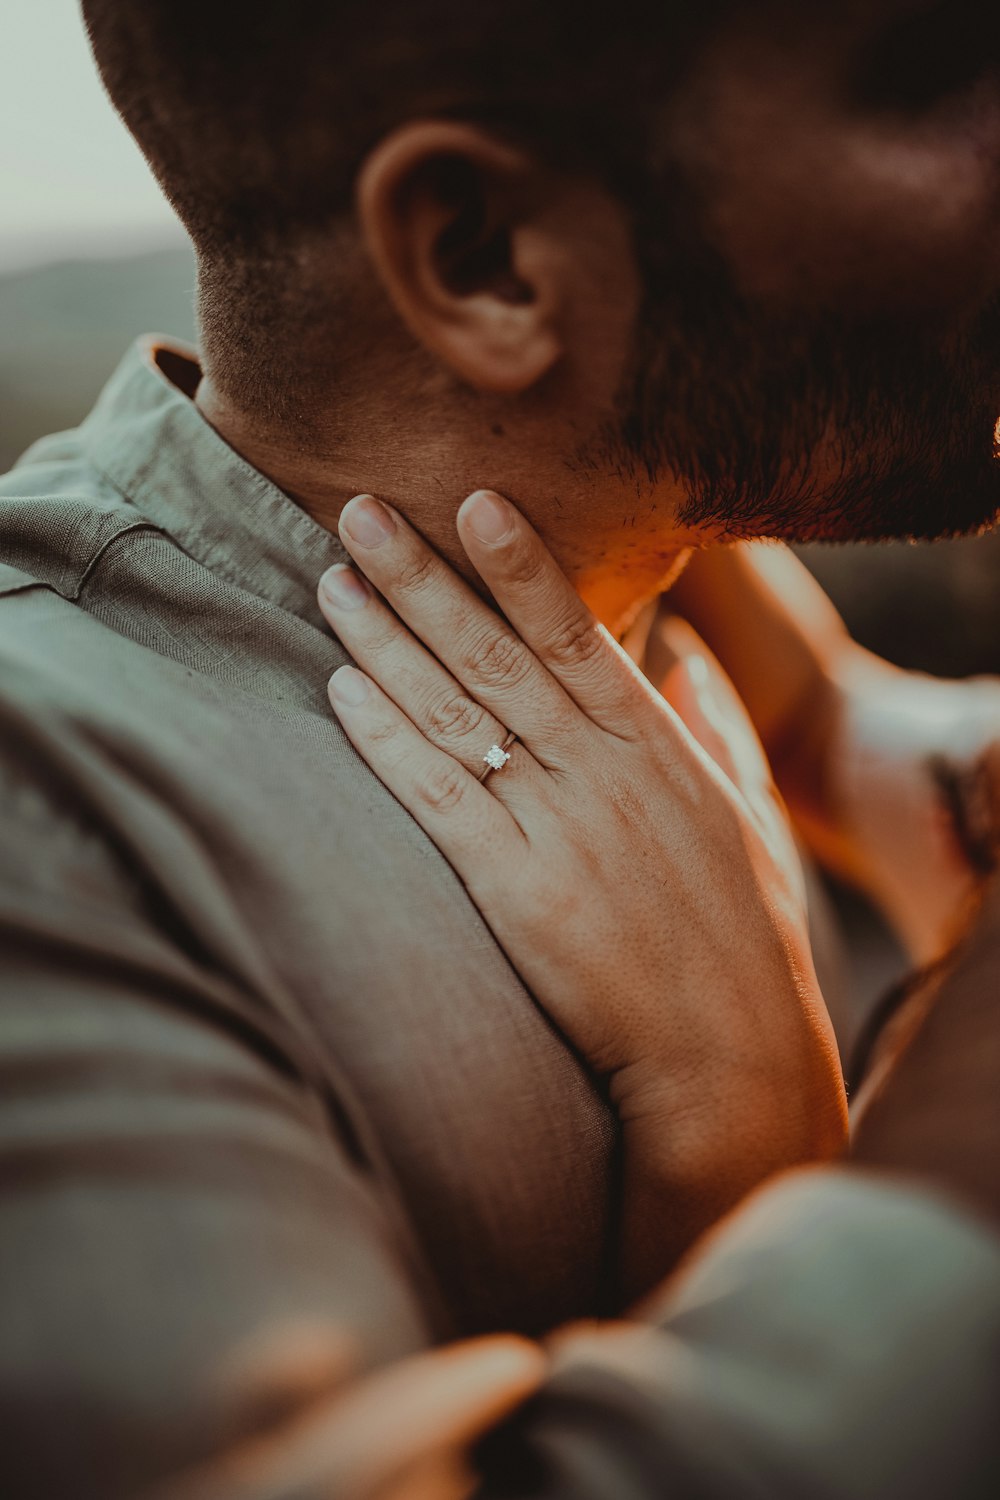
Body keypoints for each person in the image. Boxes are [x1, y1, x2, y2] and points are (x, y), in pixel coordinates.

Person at [1, 0, 999, 1493]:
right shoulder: (50, 818)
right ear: (487, 257)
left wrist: (844, 743)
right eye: (935, 72)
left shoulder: (665, 554)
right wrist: (939, 1165)